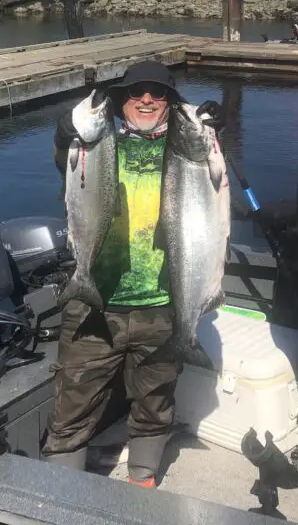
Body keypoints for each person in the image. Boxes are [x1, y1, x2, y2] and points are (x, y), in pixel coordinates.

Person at [41, 59, 221, 488]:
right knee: (73, 402)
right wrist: (66, 130)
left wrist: (207, 132)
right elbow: (63, 152)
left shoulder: (185, 150)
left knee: (155, 400)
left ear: (170, 103)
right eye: (136, 92)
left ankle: (143, 480)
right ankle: (61, 497)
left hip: (162, 306)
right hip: (94, 301)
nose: (145, 100)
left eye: (157, 94)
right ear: (122, 99)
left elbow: (212, 187)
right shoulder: (98, 141)